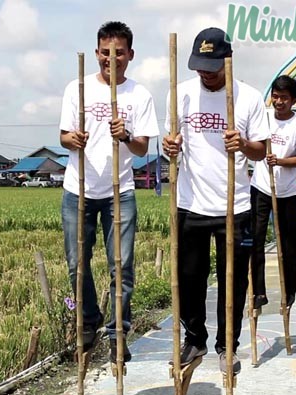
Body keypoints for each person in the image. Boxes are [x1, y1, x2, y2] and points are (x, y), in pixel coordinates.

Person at [162, 27, 268, 375]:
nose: (205, 73)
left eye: (212, 66)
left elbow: (261, 149)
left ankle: (228, 345)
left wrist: (243, 145)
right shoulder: (180, 95)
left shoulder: (248, 97)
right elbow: (170, 142)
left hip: (234, 206)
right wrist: (170, 148)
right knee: (189, 277)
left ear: (227, 61)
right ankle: (195, 338)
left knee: (233, 281)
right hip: (190, 202)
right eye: (199, 66)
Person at [59, 21, 160, 362]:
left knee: (122, 265)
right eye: (105, 52)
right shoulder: (78, 89)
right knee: (77, 263)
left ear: (130, 55)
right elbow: (64, 137)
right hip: (79, 189)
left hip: (121, 191)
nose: (111, 59)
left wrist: (126, 135)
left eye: (119, 53)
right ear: (97, 52)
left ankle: (118, 332)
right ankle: (88, 321)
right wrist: (75, 139)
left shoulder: (139, 95)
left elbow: (143, 148)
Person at [250, 75, 296, 309]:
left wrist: (281, 161)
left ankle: (289, 290)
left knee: (287, 242)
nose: (279, 102)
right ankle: (258, 291)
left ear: (293, 99)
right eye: (275, 96)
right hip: (261, 187)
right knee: (255, 238)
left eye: (284, 98)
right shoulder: (263, 117)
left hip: (286, 191)